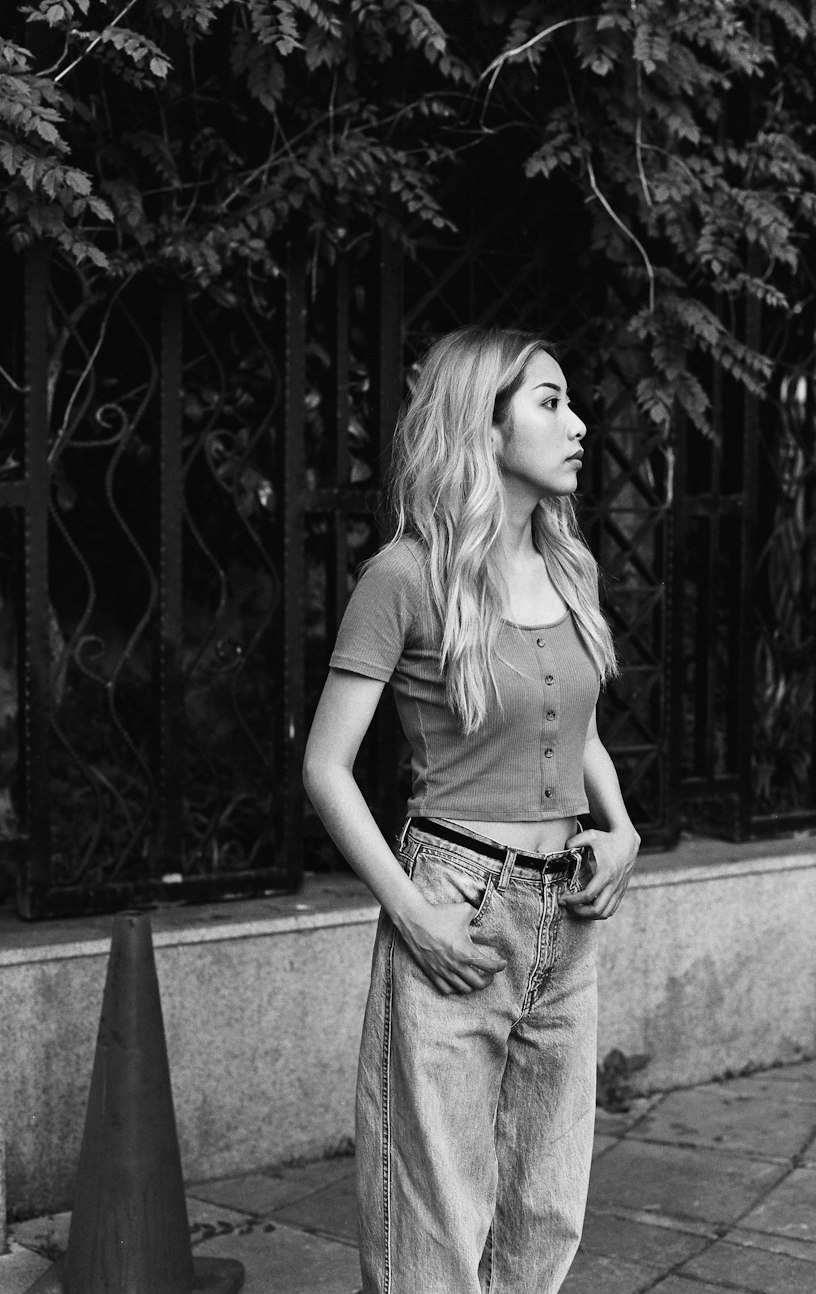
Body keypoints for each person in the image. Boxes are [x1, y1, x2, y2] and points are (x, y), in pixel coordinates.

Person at [302, 325, 640, 1294]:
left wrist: (620, 828)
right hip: (456, 900)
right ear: (482, 427)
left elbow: (570, 726)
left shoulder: (567, 570)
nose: (578, 424)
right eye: (550, 401)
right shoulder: (404, 577)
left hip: (565, 917)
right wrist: (413, 917)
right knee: (435, 1220)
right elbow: (326, 767)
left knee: (545, 1207)